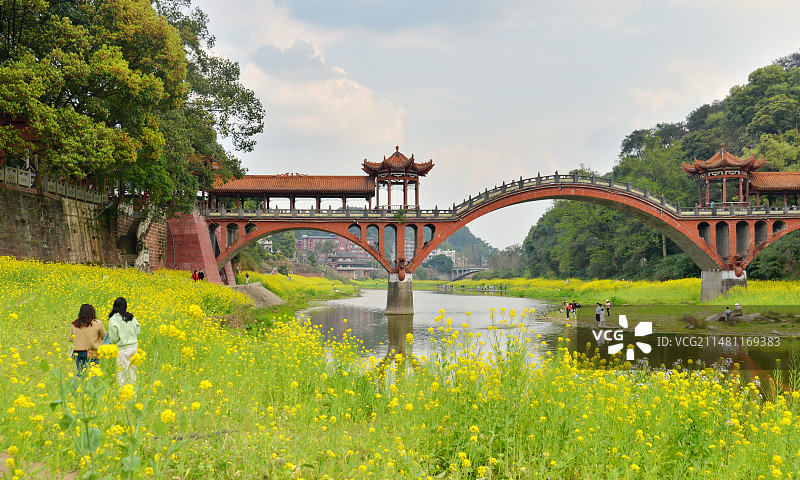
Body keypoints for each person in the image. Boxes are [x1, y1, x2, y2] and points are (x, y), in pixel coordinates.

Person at [108, 297, 141, 385]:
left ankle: (123, 394)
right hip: (134, 347)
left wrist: (116, 342)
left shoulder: (113, 319)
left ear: (114, 306)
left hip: (122, 348)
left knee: (122, 372)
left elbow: (113, 338)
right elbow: (138, 330)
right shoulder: (131, 316)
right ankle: (133, 394)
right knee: (132, 371)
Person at [69, 304, 106, 377]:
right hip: (92, 352)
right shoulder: (98, 323)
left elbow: (70, 338)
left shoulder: (75, 324)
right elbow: (103, 336)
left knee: (80, 373)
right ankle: (93, 388)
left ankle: (77, 388)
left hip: (78, 352)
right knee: (93, 374)